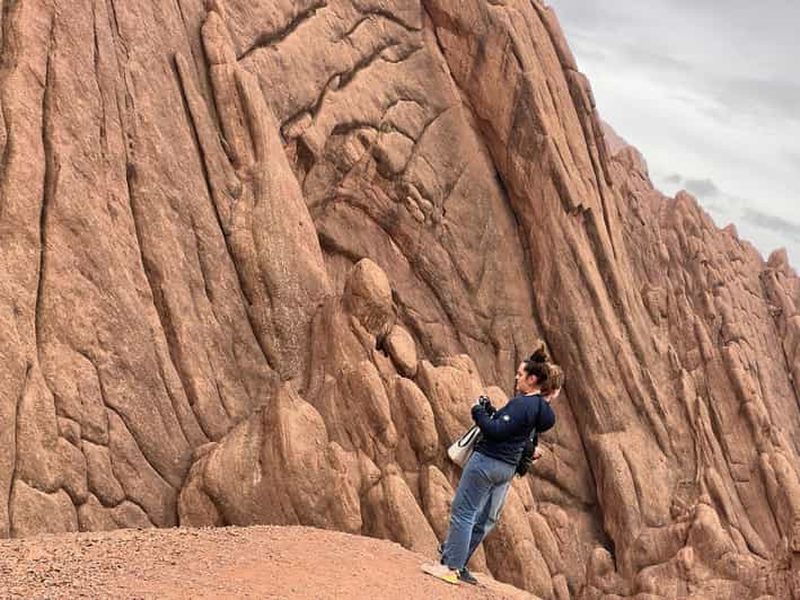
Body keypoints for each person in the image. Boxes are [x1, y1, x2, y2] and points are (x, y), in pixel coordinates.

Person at [437, 351, 560, 585]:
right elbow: (526, 428)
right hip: (506, 467)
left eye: (520, 374)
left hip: (487, 461)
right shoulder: (537, 410)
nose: (516, 378)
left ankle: (450, 567)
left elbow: (495, 431)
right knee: (481, 517)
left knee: (463, 512)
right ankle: (456, 564)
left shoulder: (522, 404)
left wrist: (478, 412)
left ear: (532, 379)